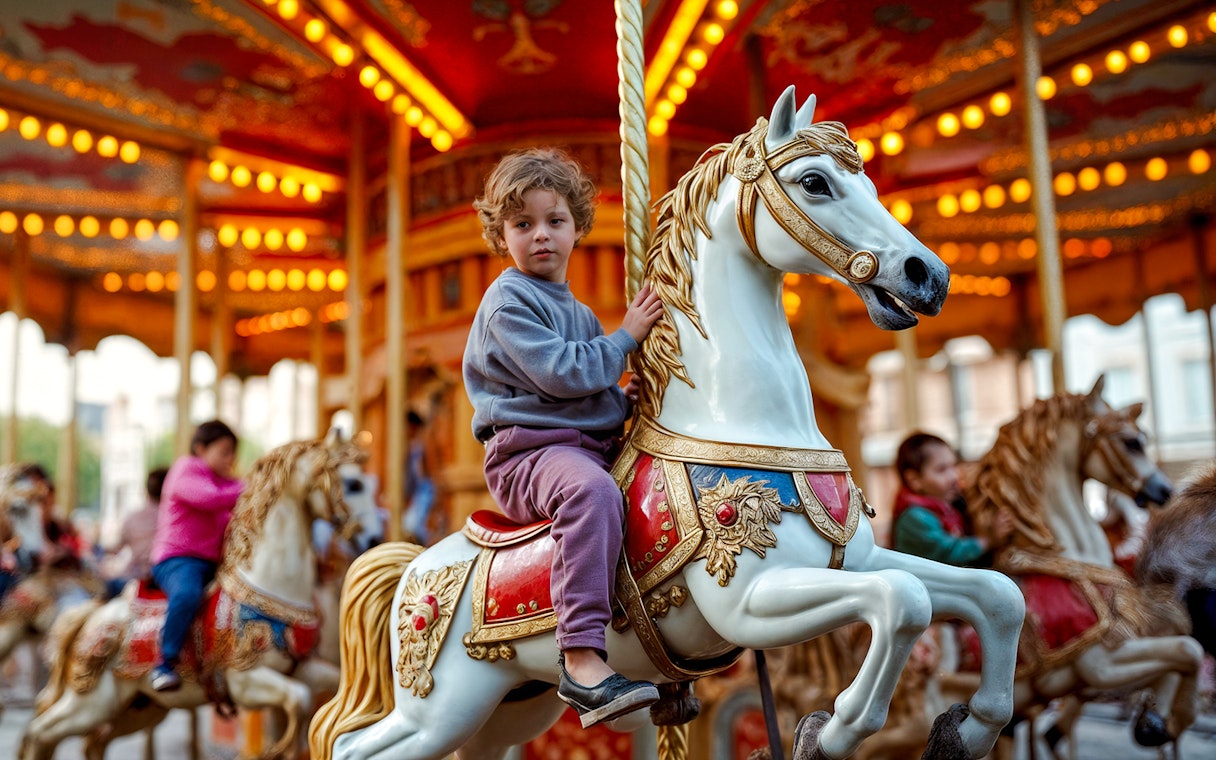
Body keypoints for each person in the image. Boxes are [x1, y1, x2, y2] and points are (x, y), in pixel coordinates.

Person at [463, 147, 665, 728]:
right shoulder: (509, 302)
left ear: (578, 227)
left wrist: (618, 403)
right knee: (592, 495)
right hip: (529, 454)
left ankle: (663, 653)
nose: (541, 235)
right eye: (523, 224)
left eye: (554, 221)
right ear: (503, 236)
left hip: (578, 444)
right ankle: (580, 656)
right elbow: (561, 373)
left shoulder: (574, 309)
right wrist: (624, 338)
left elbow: (582, 388)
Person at [148, 420, 243, 692]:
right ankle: (164, 664)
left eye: (233, 452)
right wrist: (253, 486)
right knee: (187, 594)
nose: (231, 458)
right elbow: (210, 498)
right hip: (178, 559)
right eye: (224, 451)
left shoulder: (225, 482)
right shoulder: (187, 470)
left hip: (212, 561)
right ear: (201, 448)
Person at [890, 432, 1013, 567]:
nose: (954, 476)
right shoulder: (914, 517)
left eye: (954, 465)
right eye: (941, 470)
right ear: (915, 480)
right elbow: (947, 552)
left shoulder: (951, 505)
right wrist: (988, 540)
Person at [103, 467, 169, 598]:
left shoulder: (133, 517)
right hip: (162, 578)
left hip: (133, 578)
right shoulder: (174, 518)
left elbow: (116, 547)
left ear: (146, 491)